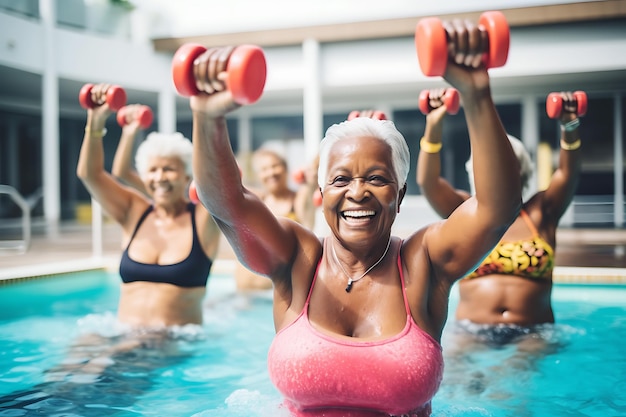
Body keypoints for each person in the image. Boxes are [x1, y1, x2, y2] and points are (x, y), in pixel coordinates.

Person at [187, 19, 521, 417]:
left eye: (377, 179)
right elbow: (228, 204)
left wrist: (475, 91)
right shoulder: (297, 258)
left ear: (398, 196)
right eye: (341, 179)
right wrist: (208, 117)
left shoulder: (423, 262)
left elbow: (495, 209)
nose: (357, 192)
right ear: (322, 194)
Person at [416, 89, 583, 345]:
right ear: (478, 171)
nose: (499, 173)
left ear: (521, 171)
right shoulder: (463, 211)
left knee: (515, 380)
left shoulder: (542, 211)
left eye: (507, 165)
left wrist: (569, 125)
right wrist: (434, 125)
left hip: (533, 332)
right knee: (460, 383)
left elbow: (567, 174)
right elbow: (428, 181)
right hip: (470, 330)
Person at [76, 84, 221, 328]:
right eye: (152, 170)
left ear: (187, 176)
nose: (160, 177)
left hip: (174, 346)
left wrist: (202, 112)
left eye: (169, 169)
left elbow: (214, 177)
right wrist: (96, 119)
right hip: (121, 335)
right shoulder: (134, 212)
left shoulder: (204, 219)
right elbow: (90, 174)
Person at [234, 148, 318, 292]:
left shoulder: (298, 200)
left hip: (277, 294)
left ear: (286, 169)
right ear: (259, 175)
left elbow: (310, 186)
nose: (271, 172)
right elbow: (229, 188)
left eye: (275, 166)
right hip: (243, 292)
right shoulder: (257, 201)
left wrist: (312, 173)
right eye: (264, 169)